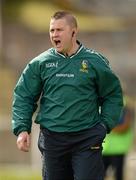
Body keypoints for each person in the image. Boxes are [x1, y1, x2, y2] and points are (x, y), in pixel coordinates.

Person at [12, 11, 123, 180]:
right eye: (51, 30)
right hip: (52, 140)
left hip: (87, 138)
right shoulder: (40, 63)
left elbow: (113, 95)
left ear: (73, 32)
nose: (54, 34)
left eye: (59, 30)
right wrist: (22, 129)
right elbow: (24, 96)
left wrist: (104, 125)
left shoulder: (95, 61)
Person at [102, 96, 134, 180]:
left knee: (118, 176)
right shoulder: (100, 103)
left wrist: (106, 127)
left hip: (118, 149)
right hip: (103, 149)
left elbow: (124, 127)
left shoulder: (124, 106)